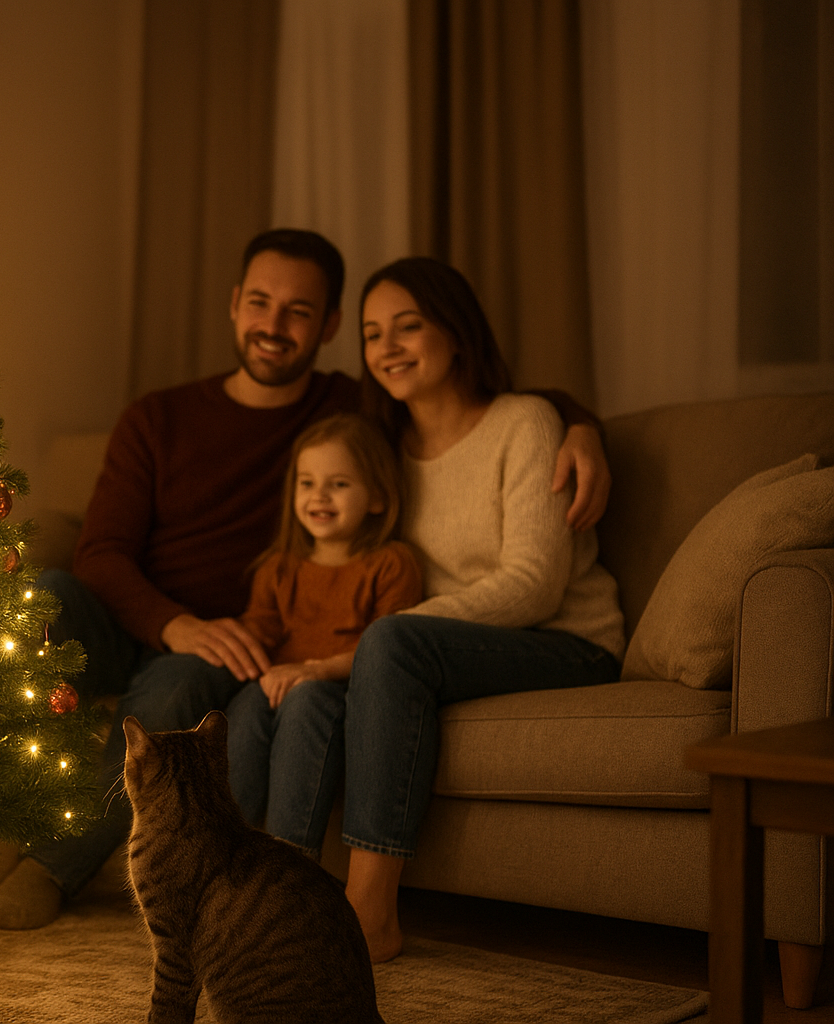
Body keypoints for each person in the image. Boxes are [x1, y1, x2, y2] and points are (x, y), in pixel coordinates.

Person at [0, 229, 612, 929]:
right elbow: (102, 551)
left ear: (327, 327)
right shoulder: (159, 416)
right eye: (262, 303)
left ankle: (49, 872)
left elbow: (479, 401)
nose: (275, 326)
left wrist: (581, 425)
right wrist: (172, 620)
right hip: (149, 618)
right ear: (236, 303)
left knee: (175, 686)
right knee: (43, 597)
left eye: (299, 312)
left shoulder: (353, 411)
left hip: (236, 643)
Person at [255, 256, 626, 964]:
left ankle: (369, 915)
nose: (387, 346)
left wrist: (368, 646)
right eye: (371, 334)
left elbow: (535, 584)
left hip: (566, 640)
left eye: (408, 327)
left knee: (387, 647)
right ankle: (285, 904)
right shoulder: (383, 450)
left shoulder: (527, 423)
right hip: (436, 648)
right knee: (314, 698)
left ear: (455, 333)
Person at [224, 413, 422, 830]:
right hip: (278, 685)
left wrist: (312, 672)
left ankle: (288, 861)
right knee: (246, 703)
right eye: (307, 482)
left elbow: (388, 651)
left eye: (339, 484)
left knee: (305, 700)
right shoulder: (278, 568)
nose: (320, 496)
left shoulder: (391, 563)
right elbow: (259, 629)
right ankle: (223, 845)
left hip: (341, 694)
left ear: (378, 497)